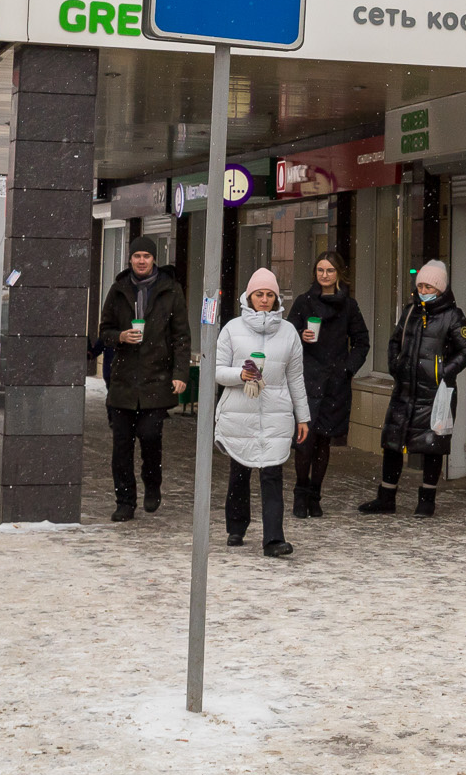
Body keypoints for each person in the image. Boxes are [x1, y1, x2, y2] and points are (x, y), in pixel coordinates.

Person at [359, 260, 466, 518]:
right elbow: (394, 341)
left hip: (436, 393)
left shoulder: (452, 316)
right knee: (393, 442)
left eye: (429, 286)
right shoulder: (411, 311)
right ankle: (386, 497)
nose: (423, 289)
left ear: (440, 289)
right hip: (405, 389)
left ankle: (427, 499)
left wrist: (441, 371)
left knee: (433, 444)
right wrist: (395, 364)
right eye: (421, 284)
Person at [87, 237, 188, 521]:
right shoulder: (119, 290)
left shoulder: (171, 290)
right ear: (130, 259)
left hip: (157, 379)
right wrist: (120, 336)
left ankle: (152, 483)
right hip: (123, 381)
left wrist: (180, 374)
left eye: (146, 256)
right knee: (121, 445)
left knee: (150, 436)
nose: (141, 260)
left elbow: (181, 336)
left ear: (154, 259)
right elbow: (104, 330)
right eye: (137, 256)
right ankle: (125, 501)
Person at [213, 268, 310, 557]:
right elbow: (217, 371)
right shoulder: (232, 329)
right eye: (259, 294)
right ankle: (236, 527)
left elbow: (296, 378)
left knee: (272, 474)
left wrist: (302, 416)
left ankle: (273, 539)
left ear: (277, 298)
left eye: (270, 295)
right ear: (249, 296)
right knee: (239, 471)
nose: (265, 299)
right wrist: (240, 375)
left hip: (275, 414)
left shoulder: (289, 332)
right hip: (239, 412)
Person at [287, 252, 369, 519]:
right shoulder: (304, 302)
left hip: (335, 381)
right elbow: (286, 337)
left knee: (323, 441)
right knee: (304, 440)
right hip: (307, 379)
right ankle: (300, 493)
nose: (324, 275)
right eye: (320, 270)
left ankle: (315, 494)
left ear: (339, 274)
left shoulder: (349, 306)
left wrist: (347, 368)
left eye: (330, 270)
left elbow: (361, 341)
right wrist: (301, 335)